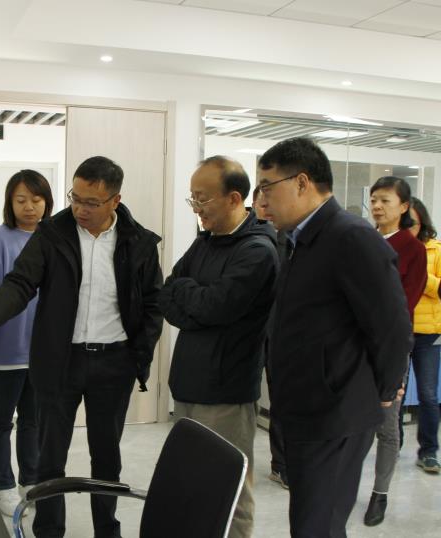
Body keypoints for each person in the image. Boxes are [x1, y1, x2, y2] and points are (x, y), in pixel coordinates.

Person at [0, 156, 163, 538]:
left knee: (107, 457)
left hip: (114, 364)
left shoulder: (138, 242)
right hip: (60, 362)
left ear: (115, 201)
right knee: (49, 458)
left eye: (92, 202)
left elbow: (154, 302)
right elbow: (20, 282)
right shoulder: (52, 234)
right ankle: (49, 531)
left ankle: (107, 529)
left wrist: (141, 350)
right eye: (76, 197)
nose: (80, 209)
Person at [255, 137, 411, 538]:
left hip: (336, 412)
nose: (263, 201)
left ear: (302, 182)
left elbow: (392, 327)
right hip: (307, 407)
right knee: (309, 520)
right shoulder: (299, 239)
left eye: (268, 188)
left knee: (317, 526)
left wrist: (383, 391)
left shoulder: (350, 237)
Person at [158, 156, 278, 538]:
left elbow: (216, 306)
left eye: (202, 198)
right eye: (192, 198)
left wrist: (192, 299)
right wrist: (197, 300)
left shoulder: (258, 250)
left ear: (234, 198)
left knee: (230, 489)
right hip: (189, 384)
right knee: (192, 485)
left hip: (226, 392)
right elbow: (167, 295)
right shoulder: (206, 242)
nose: (196, 207)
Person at [0, 169, 53, 515]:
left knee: (32, 422)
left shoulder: (53, 239)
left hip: (41, 351)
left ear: (47, 202)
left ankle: (30, 482)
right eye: (21, 200)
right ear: (10, 203)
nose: (29, 207)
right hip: (7, 351)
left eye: (36, 200)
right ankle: (3, 486)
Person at [363, 176, 426, 526]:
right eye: (374, 199)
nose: (377, 206)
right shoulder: (362, 240)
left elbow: (404, 305)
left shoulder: (412, 249)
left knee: (387, 426)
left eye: (385, 200)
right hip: (354, 346)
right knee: (354, 420)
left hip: (389, 347)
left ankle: (380, 492)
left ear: (403, 207)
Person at [252, 185, 289, 490]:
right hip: (249, 332)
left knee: (281, 399)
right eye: (260, 201)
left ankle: (282, 464)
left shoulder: (291, 238)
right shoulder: (243, 236)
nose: (265, 206)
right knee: (244, 398)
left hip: (280, 333)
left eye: (270, 200)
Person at [407, 197, 441, 474]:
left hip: (428, 334)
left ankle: (429, 451)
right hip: (398, 330)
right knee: (393, 395)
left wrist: (419, 273)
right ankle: (392, 446)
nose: (409, 227)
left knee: (428, 395)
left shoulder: (436, 250)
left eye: (413, 223)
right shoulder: (391, 247)